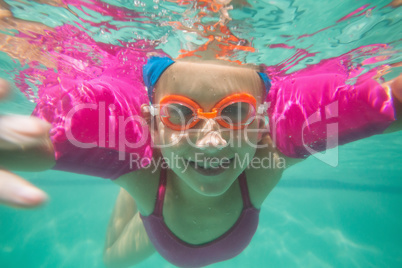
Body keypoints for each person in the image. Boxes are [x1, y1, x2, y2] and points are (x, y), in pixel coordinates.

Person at [1, 1, 402, 268]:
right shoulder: (147, 165)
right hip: (156, 205)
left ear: (261, 124)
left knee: (136, 167)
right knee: (111, 258)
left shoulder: (268, 157)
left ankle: (140, 173)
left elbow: (386, 106)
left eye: (237, 112)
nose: (213, 141)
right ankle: (137, 179)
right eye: (179, 113)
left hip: (154, 172)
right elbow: (45, 145)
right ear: (151, 121)